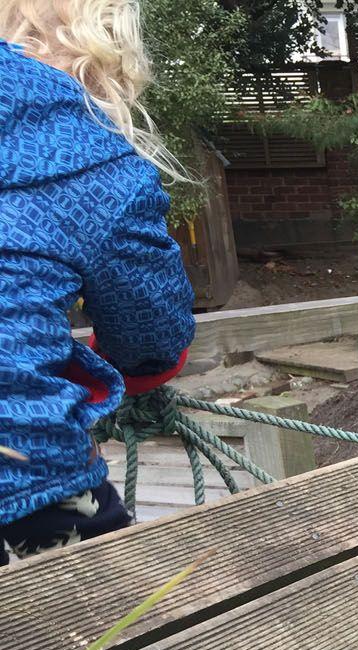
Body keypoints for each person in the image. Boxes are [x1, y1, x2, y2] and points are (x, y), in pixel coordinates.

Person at [1, 0, 195, 565]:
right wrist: (142, 374)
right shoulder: (85, 151)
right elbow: (149, 327)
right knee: (118, 635)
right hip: (20, 456)